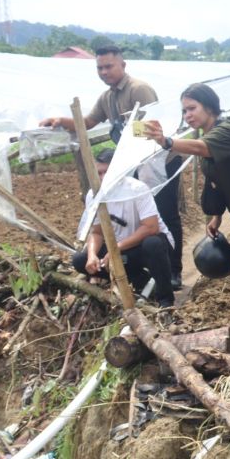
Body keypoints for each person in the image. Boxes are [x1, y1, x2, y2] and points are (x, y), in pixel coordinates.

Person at [41, 45, 183, 289]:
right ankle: (143, 272)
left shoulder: (139, 90)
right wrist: (61, 121)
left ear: (123, 65)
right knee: (142, 216)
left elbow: (155, 125)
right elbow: (87, 122)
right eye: (100, 68)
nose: (104, 71)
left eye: (109, 66)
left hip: (159, 162)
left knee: (164, 214)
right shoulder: (107, 97)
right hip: (135, 163)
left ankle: (174, 272)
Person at [144, 83, 230, 348]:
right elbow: (221, 179)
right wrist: (216, 215)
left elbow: (202, 148)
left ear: (209, 106)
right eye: (184, 111)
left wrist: (166, 141)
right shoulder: (212, 133)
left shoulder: (225, 131)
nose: (188, 115)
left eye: (192, 108)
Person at [72, 148, 175, 310]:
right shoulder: (93, 194)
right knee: (79, 260)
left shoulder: (137, 189)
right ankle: (141, 279)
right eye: (98, 172)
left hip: (145, 245)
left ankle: (166, 299)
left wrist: (115, 249)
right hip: (121, 249)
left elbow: (151, 227)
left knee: (153, 243)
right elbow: (97, 232)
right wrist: (92, 255)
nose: (103, 177)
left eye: (107, 172)